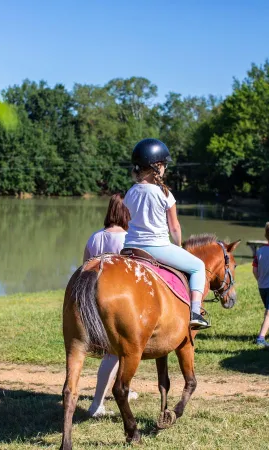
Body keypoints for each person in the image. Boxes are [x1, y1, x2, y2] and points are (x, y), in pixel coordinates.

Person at [123, 138, 208, 329]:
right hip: (157, 247)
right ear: (157, 166)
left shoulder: (130, 192)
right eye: (164, 165)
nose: (165, 169)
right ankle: (195, 312)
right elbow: (175, 227)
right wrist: (178, 247)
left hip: (129, 247)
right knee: (198, 267)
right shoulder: (164, 194)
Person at [83, 193, 138, 418]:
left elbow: (83, 271)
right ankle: (97, 404)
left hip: (93, 301)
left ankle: (125, 386)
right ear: (127, 212)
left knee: (119, 352)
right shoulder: (128, 239)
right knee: (114, 353)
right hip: (118, 303)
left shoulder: (94, 238)